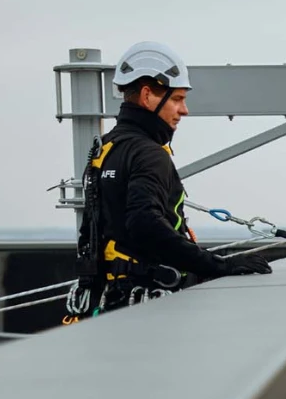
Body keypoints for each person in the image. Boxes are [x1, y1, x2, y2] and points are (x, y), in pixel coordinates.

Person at [76, 41, 269, 314]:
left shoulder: (105, 148)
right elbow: (145, 223)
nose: (184, 110)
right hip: (147, 305)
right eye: (177, 99)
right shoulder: (149, 153)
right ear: (147, 96)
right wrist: (219, 265)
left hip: (109, 299)